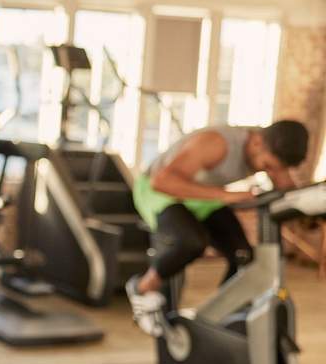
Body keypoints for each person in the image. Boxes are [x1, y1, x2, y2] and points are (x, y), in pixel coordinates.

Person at [125, 120, 308, 335]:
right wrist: (228, 196)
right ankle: (141, 288)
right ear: (258, 142)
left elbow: (285, 187)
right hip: (159, 191)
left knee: (243, 257)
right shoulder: (217, 143)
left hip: (201, 194)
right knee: (192, 241)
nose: (266, 171)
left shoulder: (268, 149)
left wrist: (308, 212)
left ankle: (221, 316)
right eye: (266, 166)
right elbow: (162, 181)